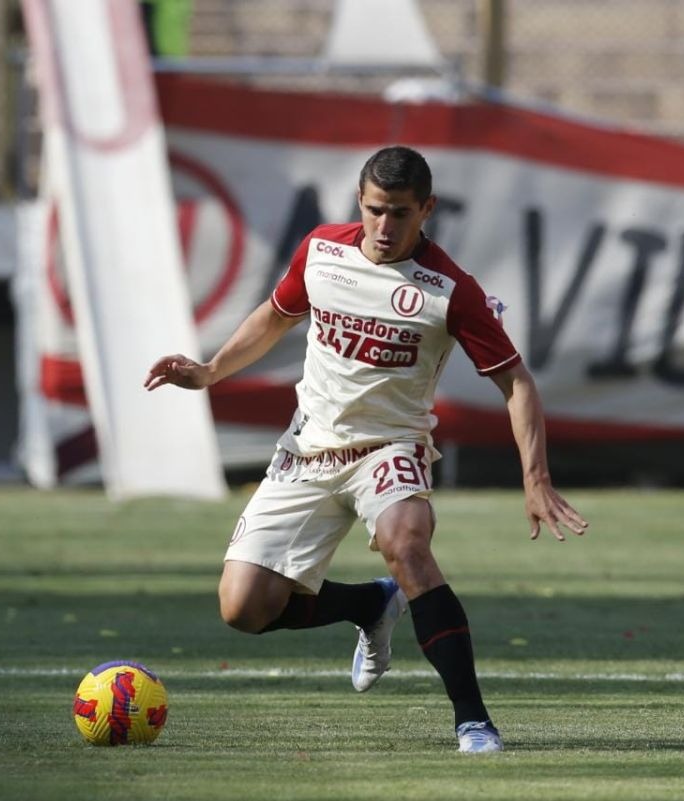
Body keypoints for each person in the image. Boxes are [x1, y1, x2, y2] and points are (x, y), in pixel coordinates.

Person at [144, 145, 588, 754]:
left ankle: (473, 721)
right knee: (244, 607)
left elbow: (516, 382)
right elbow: (274, 318)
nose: (385, 227)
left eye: (401, 213)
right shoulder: (322, 252)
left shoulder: (450, 289)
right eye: (376, 209)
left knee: (408, 543)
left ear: (426, 209)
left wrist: (534, 477)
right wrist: (210, 370)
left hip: (390, 446)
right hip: (308, 449)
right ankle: (370, 605)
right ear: (360, 200)